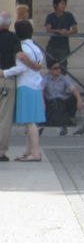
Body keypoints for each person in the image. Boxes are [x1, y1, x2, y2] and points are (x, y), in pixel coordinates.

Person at [1, 21, 45, 161]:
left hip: (25, 84)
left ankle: (36, 152)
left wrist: (4, 73)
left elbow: (21, 68)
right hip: (35, 84)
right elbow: (39, 64)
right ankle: (28, 150)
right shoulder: (35, 47)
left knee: (29, 122)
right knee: (30, 121)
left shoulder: (23, 48)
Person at [0, 11, 27, 162]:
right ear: (9, 23)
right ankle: (0, 151)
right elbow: (20, 57)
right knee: (4, 116)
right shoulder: (13, 38)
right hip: (6, 79)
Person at [42, 60, 84, 135]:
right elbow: (41, 90)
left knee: (73, 98)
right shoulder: (46, 78)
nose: (58, 70)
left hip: (61, 101)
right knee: (42, 99)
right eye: (55, 68)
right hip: (50, 102)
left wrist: (79, 100)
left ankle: (71, 117)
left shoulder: (63, 78)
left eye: (59, 68)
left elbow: (74, 89)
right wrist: (42, 102)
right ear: (50, 70)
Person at [44, 0, 78, 69]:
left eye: (64, 4)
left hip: (63, 46)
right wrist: (59, 31)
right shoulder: (50, 16)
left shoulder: (69, 15)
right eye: (61, 3)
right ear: (55, 5)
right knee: (51, 67)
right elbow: (48, 29)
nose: (63, 6)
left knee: (62, 68)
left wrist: (68, 32)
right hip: (52, 46)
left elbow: (75, 29)